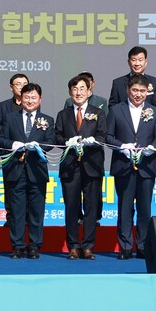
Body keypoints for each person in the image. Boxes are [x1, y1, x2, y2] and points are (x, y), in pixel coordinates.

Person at [106, 75, 156, 259]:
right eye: (135, 90)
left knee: (144, 209)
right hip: (123, 166)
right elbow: (108, 136)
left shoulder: (154, 111)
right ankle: (125, 246)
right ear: (128, 90)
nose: (138, 94)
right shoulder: (116, 110)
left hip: (146, 166)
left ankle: (143, 246)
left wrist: (152, 147)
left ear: (147, 92)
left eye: (142, 91)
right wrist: (121, 146)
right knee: (125, 208)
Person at [0, 83, 55, 259]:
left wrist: (38, 146)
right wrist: (13, 144)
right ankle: (18, 246)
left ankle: (34, 246)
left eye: (33, 97)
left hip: (37, 171)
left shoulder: (47, 119)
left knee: (37, 211)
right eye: (27, 97)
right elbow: (1, 140)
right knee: (16, 211)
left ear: (40, 99)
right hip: (15, 170)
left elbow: (51, 142)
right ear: (21, 98)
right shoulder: (10, 118)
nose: (30, 100)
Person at [55, 75, 107, 260]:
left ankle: (88, 246)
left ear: (89, 91)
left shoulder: (98, 113)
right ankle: (73, 246)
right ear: (70, 92)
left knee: (91, 207)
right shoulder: (63, 114)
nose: (78, 92)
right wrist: (67, 141)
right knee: (71, 207)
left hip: (92, 165)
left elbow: (103, 136)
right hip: (70, 166)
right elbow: (56, 137)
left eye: (82, 89)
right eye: (75, 89)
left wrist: (93, 141)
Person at [0, 73, 28, 234]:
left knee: (28, 186)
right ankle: (11, 217)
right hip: (9, 152)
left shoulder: (31, 103)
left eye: (24, 83)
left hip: (27, 153)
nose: (21, 86)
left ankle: (26, 218)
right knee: (10, 186)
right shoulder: (3, 106)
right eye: (18, 84)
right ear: (11, 87)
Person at [109, 46, 156, 116]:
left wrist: (145, 116)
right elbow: (112, 107)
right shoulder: (118, 83)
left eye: (140, 60)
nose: (137, 63)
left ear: (145, 62)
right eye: (134, 60)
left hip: (146, 120)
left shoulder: (155, 82)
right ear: (128, 62)